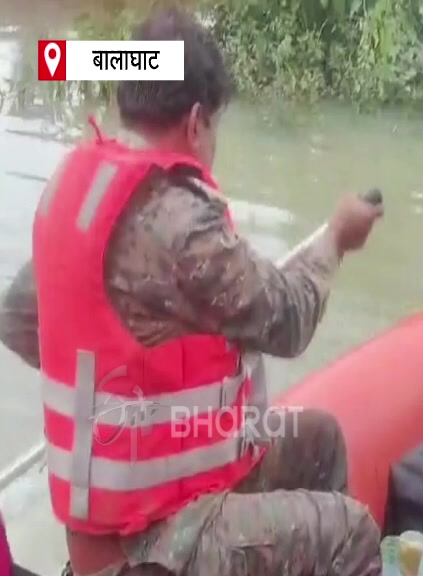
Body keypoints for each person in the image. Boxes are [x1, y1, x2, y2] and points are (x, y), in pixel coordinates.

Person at [0, 7, 384, 576]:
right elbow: (290, 319)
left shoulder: (77, 189)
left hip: (125, 516)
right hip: (146, 543)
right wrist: (335, 240)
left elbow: (19, 321)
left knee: (319, 438)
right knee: (352, 531)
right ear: (198, 120)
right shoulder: (179, 221)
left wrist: (127, 395)